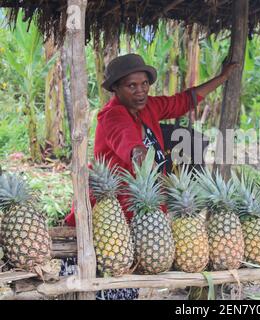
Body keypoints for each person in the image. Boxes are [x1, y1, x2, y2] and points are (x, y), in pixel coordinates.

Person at [62, 53, 238, 300]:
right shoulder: (112, 116)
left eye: (144, 84)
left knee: (125, 286)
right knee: (107, 288)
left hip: (139, 214)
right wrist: (143, 158)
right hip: (112, 218)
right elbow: (130, 144)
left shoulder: (148, 107)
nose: (140, 90)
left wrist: (222, 77)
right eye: (131, 85)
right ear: (116, 89)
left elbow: (183, 101)